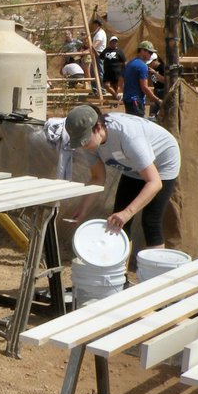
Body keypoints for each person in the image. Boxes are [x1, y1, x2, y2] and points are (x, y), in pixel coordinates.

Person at [65, 104, 180, 253]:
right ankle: (120, 274)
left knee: (150, 220)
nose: (84, 145)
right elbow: (97, 177)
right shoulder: (90, 144)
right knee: (117, 221)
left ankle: (156, 272)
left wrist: (127, 212)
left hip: (162, 162)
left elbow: (155, 182)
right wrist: (83, 209)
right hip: (132, 165)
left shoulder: (128, 136)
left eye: (85, 140)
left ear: (98, 127)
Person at [121, 40, 161, 117]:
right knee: (138, 124)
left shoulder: (129, 64)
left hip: (128, 100)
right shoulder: (142, 66)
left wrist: (127, 92)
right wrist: (157, 100)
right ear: (142, 51)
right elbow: (144, 87)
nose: (151, 55)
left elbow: (120, 80)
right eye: (150, 52)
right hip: (136, 101)